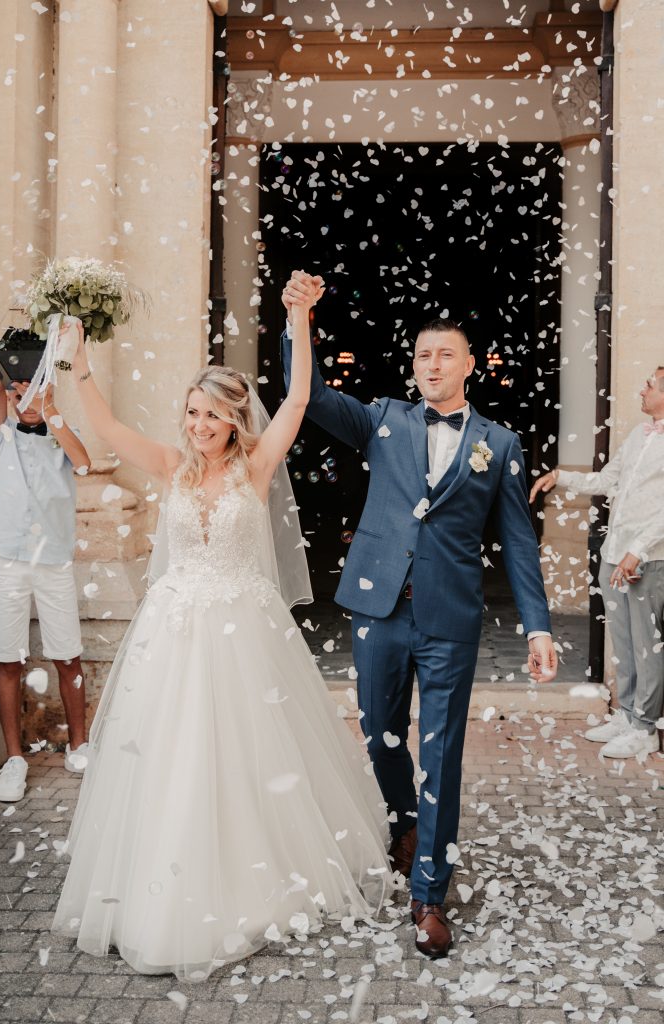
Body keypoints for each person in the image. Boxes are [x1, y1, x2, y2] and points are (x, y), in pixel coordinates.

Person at [51, 288, 391, 980]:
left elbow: (299, 399)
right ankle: (160, 888)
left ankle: (253, 879)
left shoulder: (255, 468)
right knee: (169, 755)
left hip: (242, 631)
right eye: (192, 412)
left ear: (235, 420)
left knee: (245, 753)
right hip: (174, 632)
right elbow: (106, 426)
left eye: (211, 414)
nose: (199, 424)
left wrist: (298, 322)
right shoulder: (171, 467)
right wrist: (78, 360)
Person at [281, 270, 557, 959]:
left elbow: (519, 540)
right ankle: (405, 824)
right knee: (380, 738)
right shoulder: (384, 419)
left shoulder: (500, 443)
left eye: (444, 355)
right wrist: (298, 322)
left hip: (449, 619)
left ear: (469, 364)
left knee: (441, 752)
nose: (432, 365)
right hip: (378, 607)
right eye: (422, 355)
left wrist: (539, 626)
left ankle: (429, 891)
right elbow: (308, 395)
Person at [530, 366, 664, 759]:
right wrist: (561, 477)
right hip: (613, 554)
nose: (642, 389)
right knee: (624, 642)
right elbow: (607, 481)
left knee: (647, 646)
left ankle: (645, 728)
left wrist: (637, 551)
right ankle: (627, 714)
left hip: (646, 558)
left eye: (650, 385)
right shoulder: (639, 435)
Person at [0, 373, 90, 802]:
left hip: (53, 560)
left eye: (35, 391)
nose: (25, 400)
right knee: (8, 660)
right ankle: (15, 759)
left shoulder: (62, 431)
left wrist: (49, 407)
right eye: (20, 392)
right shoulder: (1, 435)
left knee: (67, 655)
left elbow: (83, 463)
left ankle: (79, 746)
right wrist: (5, 370)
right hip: (6, 559)